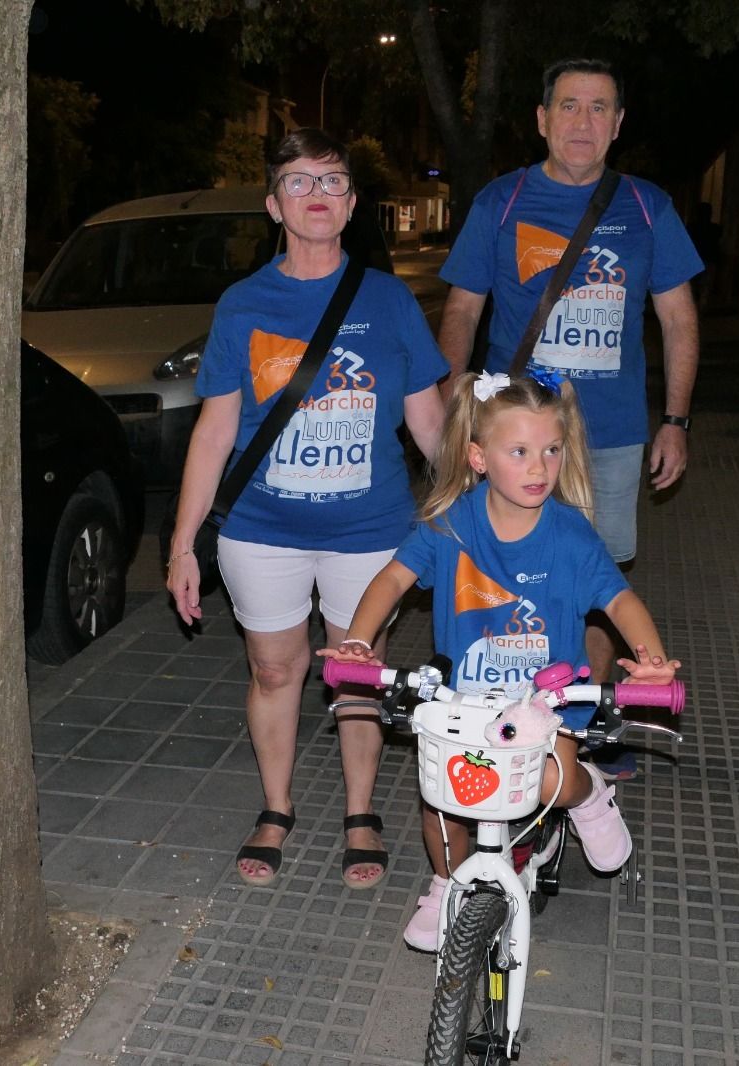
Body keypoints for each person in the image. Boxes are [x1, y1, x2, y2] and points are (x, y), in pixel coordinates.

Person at [166, 129, 448, 887]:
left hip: (370, 529)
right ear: (273, 205)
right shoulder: (244, 303)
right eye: (299, 182)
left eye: (332, 181)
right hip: (263, 530)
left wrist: (472, 512)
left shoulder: (389, 301)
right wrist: (182, 542)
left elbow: (429, 422)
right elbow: (217, 428)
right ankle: (278, 806)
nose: (317, 193)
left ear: (352, 205)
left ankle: (360, 812)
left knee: (357, 672)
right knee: (272, 668)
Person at [319, 373, 680, 950]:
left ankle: (592, 797)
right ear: (479, 458)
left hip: (548, 701)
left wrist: (652, 660)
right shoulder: (451, 524)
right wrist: (360, 642)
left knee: (549, 783)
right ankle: (447, 885)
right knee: (443, 801)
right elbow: (391, 579)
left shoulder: (570, 534)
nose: (540, 468)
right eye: (520, 452)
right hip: (468, 702)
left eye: (551, 450)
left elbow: (620, 599)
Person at [434, 57, 702, 737]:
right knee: (501, 572)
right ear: (542, 119)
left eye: (599, 107)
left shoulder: (648, 207)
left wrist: (674, 420)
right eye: (570, 106)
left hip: (609, 435)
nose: (583, 121)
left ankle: (580, 723)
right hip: (512, 434)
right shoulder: (501, 202)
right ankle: (503, 713)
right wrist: (447, 407)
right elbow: (463, 311)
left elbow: (679, 320)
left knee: (597, 580)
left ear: (617, 124)